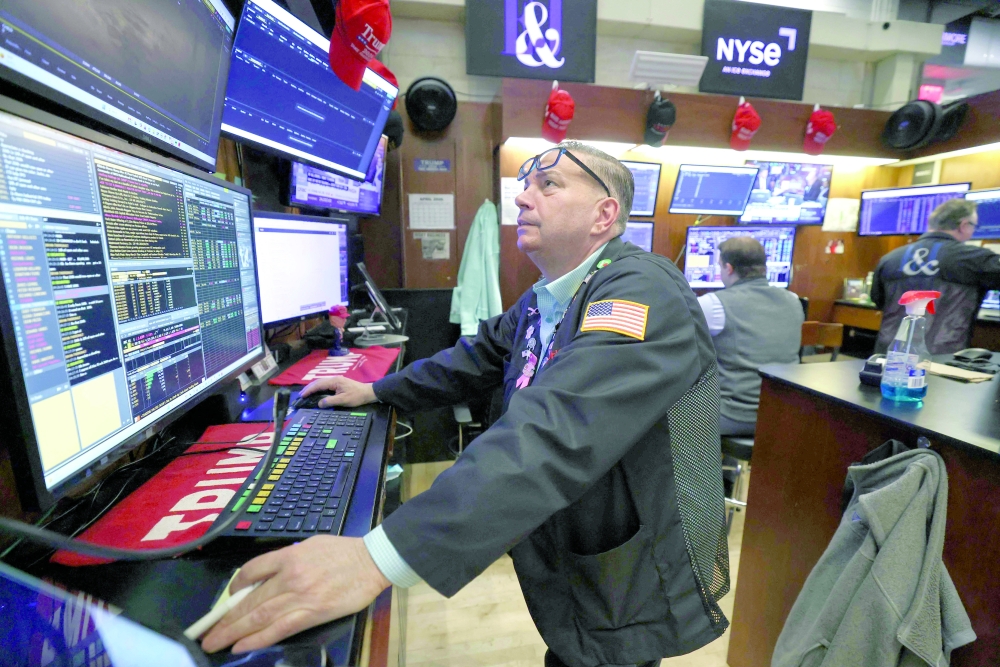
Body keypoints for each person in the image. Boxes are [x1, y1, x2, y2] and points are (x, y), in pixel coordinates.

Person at [201, 142, 730, 667]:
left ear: (604, 214)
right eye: (526, 184)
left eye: (548, 184)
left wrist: (379, 556)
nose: (523, 198)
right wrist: (378, 391)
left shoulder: (643, 289)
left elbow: (555, 428)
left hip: (631, 564)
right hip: (574, 544)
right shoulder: (550, 295)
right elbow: (475, 358)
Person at [697, 237, 804, 436]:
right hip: (783, 412)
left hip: (734, 416)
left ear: (728, 268)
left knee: (663, 411)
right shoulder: (793, 300)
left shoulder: (713, 304)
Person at [871, 198, 1000, 354]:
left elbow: (879, 300)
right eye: (974, 226)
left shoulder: (890, 258)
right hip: (941, 359)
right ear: (964, 225)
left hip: (889, 355)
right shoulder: (976, 259)